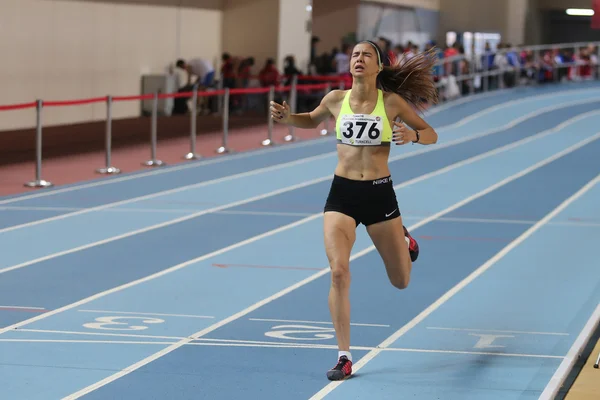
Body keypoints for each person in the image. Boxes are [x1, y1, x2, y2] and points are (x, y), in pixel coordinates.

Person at [269, 40, 439, 380]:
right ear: (349, 65)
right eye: (355, 55)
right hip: (342, 194)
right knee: (338, 273)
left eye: (367, 55)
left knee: (401, 281)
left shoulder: (391, 103)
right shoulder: (335, 99)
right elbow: (311, 119)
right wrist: (288, 117)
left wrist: (413, 138)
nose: (359, 59)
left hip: (379, 196)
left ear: (378, 67)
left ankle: (405, 242)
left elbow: (431, 133)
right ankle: (344, 356)